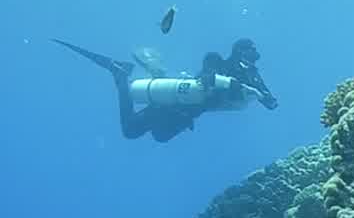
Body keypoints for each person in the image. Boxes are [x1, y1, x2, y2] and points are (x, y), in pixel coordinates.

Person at [54, 38, 278, 143]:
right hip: (181, 103)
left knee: (160, 136)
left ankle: (155, 72)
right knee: (131, 131)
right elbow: (205, 78)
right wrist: (233, 84)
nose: (254, 55)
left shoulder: (253, 76)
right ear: (239, 51)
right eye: (251, 51)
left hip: (189, 111)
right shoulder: (217, 60)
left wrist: (262, 94)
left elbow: (270, 103)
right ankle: (121, 75)